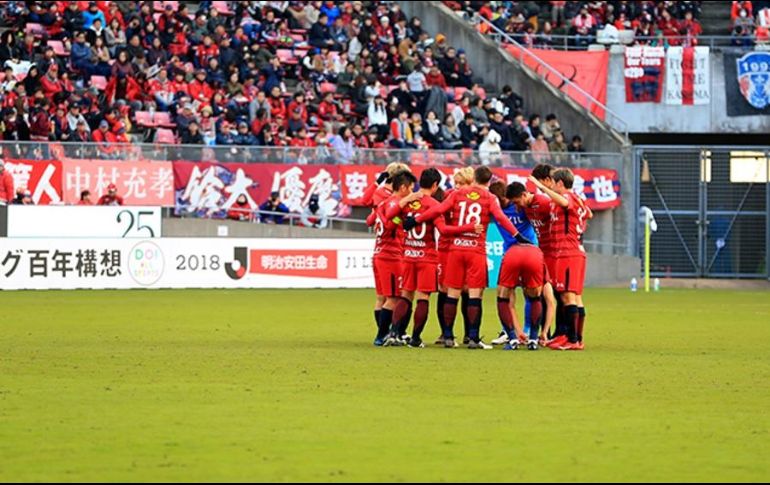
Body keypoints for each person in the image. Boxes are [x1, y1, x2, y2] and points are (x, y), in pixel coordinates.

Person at [408, 166, 528, 349]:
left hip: (456, 250)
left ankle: (448, 336)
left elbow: (438, 209)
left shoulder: (457, 195)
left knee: (452, 293)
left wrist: (415, 220)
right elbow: (502, 218)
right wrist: (517, 235)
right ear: (488, 181)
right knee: (474, 295)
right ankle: (473, 339)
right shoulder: (490, 198)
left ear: (474, 178)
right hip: (476, 251)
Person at [382, 168, 481, 348]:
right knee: (423, 298)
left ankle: (394, 333)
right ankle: (415, 338)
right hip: (426, 257)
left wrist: (405, 200)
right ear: (435, 185)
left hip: (408, 255)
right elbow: (443, 230)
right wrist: (468, 227)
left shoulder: (409, 201)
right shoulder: (434, 204)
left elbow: (389, 216)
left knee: (405, 296)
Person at [530, 169, 589, 351]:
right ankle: (573, 337)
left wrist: (541, 187)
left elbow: (565, 202)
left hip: (568, 252)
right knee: (574, 297)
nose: (552, 186)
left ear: (561, 184)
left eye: (554, 183)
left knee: (567, 296)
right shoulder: (577, 199)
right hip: (571, 251)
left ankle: (573, 340)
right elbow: (588, 214)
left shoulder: (568, 198)